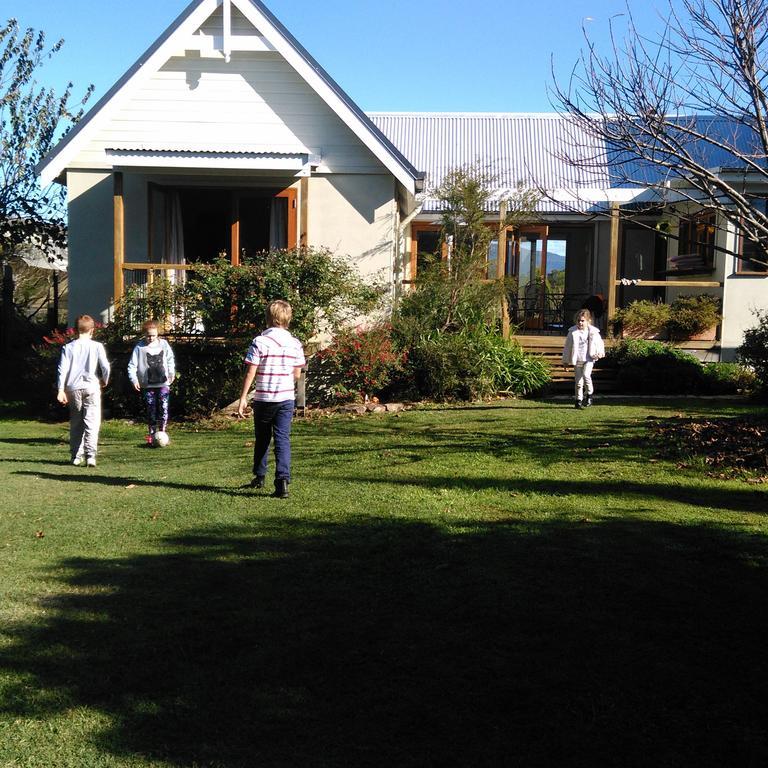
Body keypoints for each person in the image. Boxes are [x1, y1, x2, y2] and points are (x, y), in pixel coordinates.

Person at [237, 300, 305, 498]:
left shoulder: (260, 341)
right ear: (288, 319)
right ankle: (282, 482)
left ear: (268, 318)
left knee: (263, 438)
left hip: (264, 397)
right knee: (282, 438)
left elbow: (251, 371)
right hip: (285, 398)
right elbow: (297, 374)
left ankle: (259, 476)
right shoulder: (295, 343)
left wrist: (243, 398)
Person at [56, 314, 111, 466]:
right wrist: (105, 379)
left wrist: (61, 389)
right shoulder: (97, 346)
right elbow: (105, 366)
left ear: (75, 330)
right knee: (92, 422)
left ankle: (76, 456)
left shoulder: (68, 347)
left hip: (73, 388)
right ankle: (90, 455)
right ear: (92, 330)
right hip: (91, 387)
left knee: (76, 422)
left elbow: (62, 369)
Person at [127, 320, 176, 445]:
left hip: (163, 383)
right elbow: (132, 365)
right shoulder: (139, 347)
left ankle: (162, 432)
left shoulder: (163, 344)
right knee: (151, 409)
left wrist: (171, 372)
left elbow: (170, 359)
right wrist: (134, 379)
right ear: (144, 334)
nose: (151, 338)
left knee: (164, 408)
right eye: (148, 335)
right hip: (147, 385)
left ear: (157, 334)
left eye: (153, 335)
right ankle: (152, 434)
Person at [562, 308, 605, 409]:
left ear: (588, 321)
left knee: (586, 375)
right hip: (578, 359)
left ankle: (589, 395)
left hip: (589, 358)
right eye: (579, 320)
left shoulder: (593, 332)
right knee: (578, 382)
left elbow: (599, 343)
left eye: (582, 321)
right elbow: (567, 347)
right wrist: (565, 361)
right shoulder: (572, 332)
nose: (580, 323)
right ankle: (578, 400)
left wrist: (600, 352)